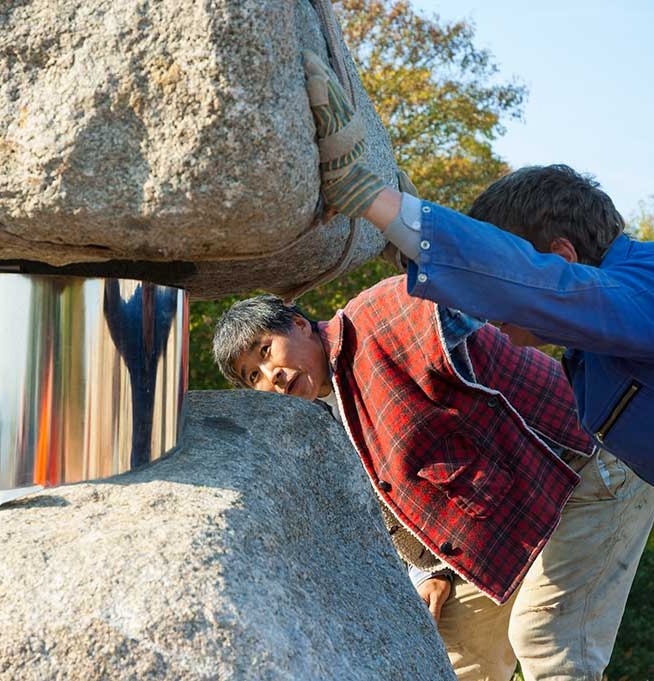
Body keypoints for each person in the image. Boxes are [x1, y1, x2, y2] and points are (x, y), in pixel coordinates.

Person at [212, 279, 654, 680]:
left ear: (298, 324)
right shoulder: (330, 414)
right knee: (456, 656)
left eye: (266, 351)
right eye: (254, 375)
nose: (273, 376)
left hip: (586, 465)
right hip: (518, 511)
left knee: (545, 641)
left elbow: (471, 288)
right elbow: (395, 496)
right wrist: (430, 569)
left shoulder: (378, 316)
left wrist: (412, 235)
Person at [300, 51, 654, 483]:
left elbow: (541, 286)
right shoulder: (598, 334)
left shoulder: (642, 292)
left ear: (562, 259)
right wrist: (405, 245)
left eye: (498, 290)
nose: (488, 313)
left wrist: (368, 196)